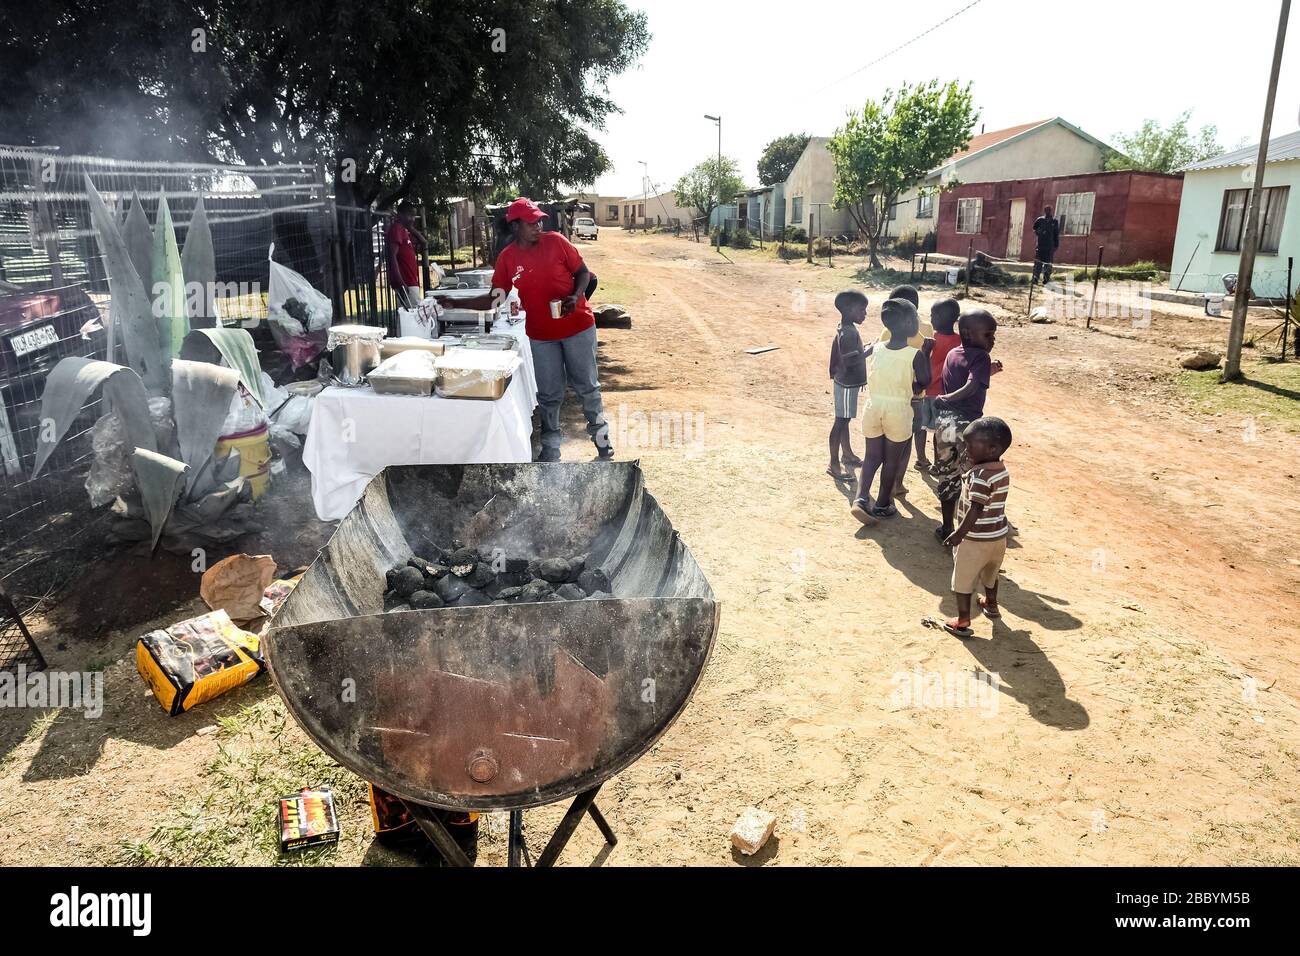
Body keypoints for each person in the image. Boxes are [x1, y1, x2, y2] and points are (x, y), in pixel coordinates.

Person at [435, 197, 611, 461]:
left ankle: (602, 443)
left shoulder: (557, 242)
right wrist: (457, 302)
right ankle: (551, 451)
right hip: (542, 335)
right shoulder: (508, 258)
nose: (538, 225)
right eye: (530, 222)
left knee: (587, 387)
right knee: (549, 395)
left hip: (577, 326)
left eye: (539, 220)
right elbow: (496, 298)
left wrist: (576, 296)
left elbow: (584, 273)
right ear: (515, 226)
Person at [851, 298, 930, 525]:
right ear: (908, 323)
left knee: (872, 456)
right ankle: (883, 504)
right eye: (915, 317)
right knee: (891, 460)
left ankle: (861, 498)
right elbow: (924, 381)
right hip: (899, 410)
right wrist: (910, 387)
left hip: (873, 407)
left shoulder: (876, 348)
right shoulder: (915, 354)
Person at [932, 309, 1002, 542]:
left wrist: (945, 400)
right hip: (967, 426)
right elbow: (971, 386)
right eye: (988, 335)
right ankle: (969, 529)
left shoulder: (953, 353)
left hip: (946, 425)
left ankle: (946, 526)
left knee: (947, 473)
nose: (992, 340)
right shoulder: (981, 357)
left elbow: (962, 378)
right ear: (969, 334)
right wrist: (948, 398)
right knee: (974, 476)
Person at [941, 416, 1013, 638]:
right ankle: (991, 604)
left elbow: (976, 509)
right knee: (991, 574)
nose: (965, 448)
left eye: (971, 445)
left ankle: (962, 621)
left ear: (991, 449)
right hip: (998, 538)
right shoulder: (1001, 470)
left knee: (962, 580)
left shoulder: (981, 477)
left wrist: (958, 534)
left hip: (974, 539)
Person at [874, 285, 933, 499]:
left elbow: (880, 358)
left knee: (887, 440)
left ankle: (885, 487)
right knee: (905, 441)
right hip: (915, 396)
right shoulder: (926, 327)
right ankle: (897, 483)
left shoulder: (886, 331)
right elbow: (927, 362)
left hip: (889, 393)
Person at [916, 298, 963, 471]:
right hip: (943, 394)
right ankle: (938, 462)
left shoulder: (931, 339)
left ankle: (922, 459)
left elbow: (921, 361)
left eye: (933, 314)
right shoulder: (959, 340)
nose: (931, 318)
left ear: (941, 316)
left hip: (928, 391)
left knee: (922, 427)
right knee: (940, 430)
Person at [827, 290, 869, 480]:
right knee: (840, 421)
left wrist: (863, 349)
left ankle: (847, 454)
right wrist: (870, 351)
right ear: (848, 310)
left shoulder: (847, 327)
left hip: (846, 382)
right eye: (862, 310)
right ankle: (833, 464)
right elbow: (850, 361)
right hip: (845, 383)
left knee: (844, 420)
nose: (865, 314)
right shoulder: (849, 332)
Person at [387, 201, 428, 309]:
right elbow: (393, 257)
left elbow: (424, 242)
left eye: (414, 215)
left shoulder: (404, 230)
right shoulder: (397, 229)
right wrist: (400, 282)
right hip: (406, 283)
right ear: (400, 214)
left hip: (411, 281)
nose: (413, 219)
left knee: (411, 317)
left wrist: (411, 228)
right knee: (412, 319)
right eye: (410, 215)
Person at [1032, 205, 1059, 285]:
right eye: (1046, 210)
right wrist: (1038, 232)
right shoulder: (1040, 220)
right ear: (1044, 211)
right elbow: (1034, 228)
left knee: (1048, 264)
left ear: (1051, 211)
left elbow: (1056, 234)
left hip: (1049, 246)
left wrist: (1056, 246)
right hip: (1040, 246)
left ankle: (1046, 279)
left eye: (1049, 210)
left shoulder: (1054, 221)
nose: (1048, 212)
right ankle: (1035, 278)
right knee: (1038, 263)